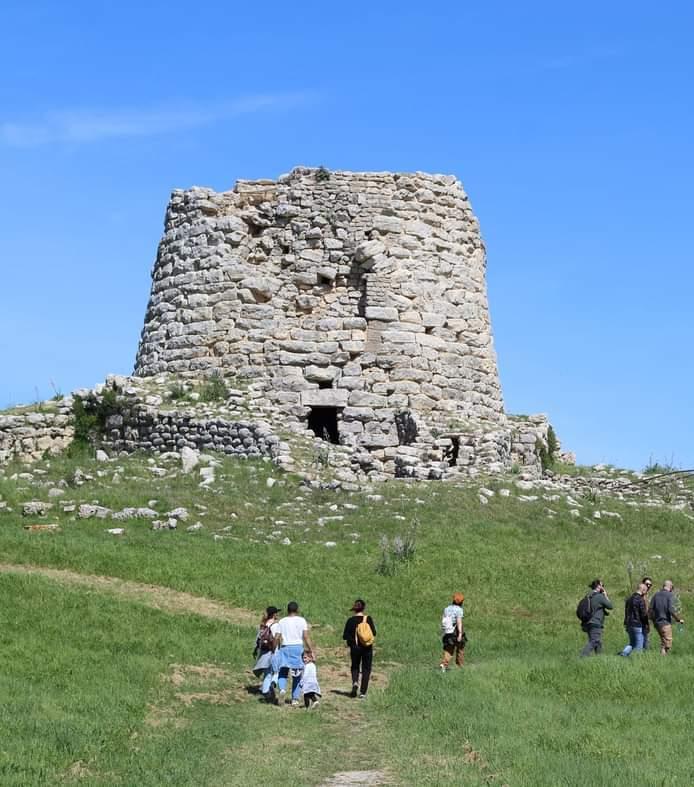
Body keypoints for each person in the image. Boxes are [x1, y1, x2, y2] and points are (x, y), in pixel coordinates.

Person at [275, 601, 314, 706]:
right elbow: (306, 636)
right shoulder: (302, 621)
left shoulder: (282, 621)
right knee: (297, 675)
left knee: (283, 671)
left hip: (285, 647)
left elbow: (277, 637)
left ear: (287, 610)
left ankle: (282, 689)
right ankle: (295, 699)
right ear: (297, 610)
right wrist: (311, 650)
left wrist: (274, 648)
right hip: (297, 648)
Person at [342, 599, 376, 699]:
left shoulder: (350, 620)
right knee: (366, 669)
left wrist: (352, 640)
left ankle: (355, 682)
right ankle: (363, 693)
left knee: (355, 666)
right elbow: (373, 633)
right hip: (367, 647)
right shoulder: (368, 619)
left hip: (355, 647)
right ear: (363, 608)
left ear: (354, 609)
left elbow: (345, 636)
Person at [649, 580, 684, 655]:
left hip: (657, 623)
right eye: (672, 587)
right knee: (668, 644)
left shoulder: (656, 595)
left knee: (663, 642)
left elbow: (650, 609)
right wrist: (678, 619)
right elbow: (671, 609)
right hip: (665, 623)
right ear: (670, 587)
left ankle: (662, 661)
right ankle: (663, 657)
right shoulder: (670, 595)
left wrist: (653, 620)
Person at [252, 606, 280, 701]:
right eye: (277, 613)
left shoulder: (263, 624)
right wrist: (274, 650)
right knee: (276, 671)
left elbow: (258, 638)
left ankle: (265, 692)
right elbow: (276, 638)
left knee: (267, 673)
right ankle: (273, 684)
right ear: (274, 614)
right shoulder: (275, 625)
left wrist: (256, 650)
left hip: (264, 651)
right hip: (272, 651)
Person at [580, 578, 613, 656]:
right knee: (594, 640)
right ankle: (582, 657)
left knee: (598, 642)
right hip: (595, 622)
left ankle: (599, 658)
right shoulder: (599, 597)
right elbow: (610, 606)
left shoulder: (588, 595)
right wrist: (605, 595)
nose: (603, 587)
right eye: (603, 585)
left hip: (587, 622)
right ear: (599, 586)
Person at [619, 583, 649, 656]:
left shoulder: (629, 599)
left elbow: (626, 611)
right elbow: (643, 614)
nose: (646, 593)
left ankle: (623, 654)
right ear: (643, 590)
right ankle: (637, 659)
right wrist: (646, 624)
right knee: (639, 645)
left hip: (629, 624)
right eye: (646, 591)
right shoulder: (640, 599)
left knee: (632, 643)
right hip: (637, 624)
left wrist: (626, 622)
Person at [439, 592, 466, 671]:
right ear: (461, 602)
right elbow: (459, 622)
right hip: (455, 631)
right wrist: (460, 634)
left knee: (449, 649)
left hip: (448, 631)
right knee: (460, 648)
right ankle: (460, 666)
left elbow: (444, 619)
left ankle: (444, 664)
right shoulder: (459, 610)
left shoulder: (446, 608)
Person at [641, 576, 653, 649]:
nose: (648, 586)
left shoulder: (646, 595)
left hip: (646, 620)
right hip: (642, 621)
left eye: (650, 585)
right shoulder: (641, 595)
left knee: (646, 639)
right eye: (646, 584)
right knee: (644, 640)